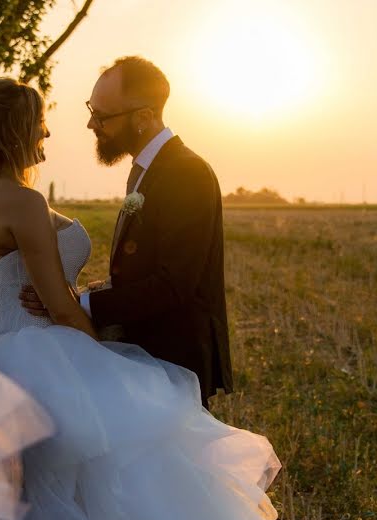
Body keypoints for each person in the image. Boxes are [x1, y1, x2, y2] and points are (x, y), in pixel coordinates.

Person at [0, 75, 311, 520]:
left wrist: (87, 298)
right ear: (16, 132)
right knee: (113, 490)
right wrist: (99, 358)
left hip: (7, 346)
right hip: (47, 348)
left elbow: (168, 277)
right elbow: (57, 302)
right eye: (40, 123)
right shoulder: (27, 202)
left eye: (100, 114)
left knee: (56, 495)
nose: (54, 131)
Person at [20, 56, 232, 408]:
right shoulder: (145, 170)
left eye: (102, 115)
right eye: (91, 110)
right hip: (148, 354)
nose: (91, 123)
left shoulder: (187, 173)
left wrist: (80, 304)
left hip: (176, 359)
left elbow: (174, 284)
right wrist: (97, 289)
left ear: (144, 117)